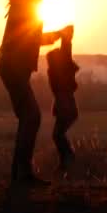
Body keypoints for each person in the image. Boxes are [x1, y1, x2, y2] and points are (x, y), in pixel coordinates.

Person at [0, 0, 68, 186]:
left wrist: (56, 35)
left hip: (13, 66)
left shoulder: (29, 1)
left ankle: (19, 174)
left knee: (28, 118)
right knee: (32, 117)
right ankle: (21, 174)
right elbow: (31, 38)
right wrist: (59, 34)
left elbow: (31, 37)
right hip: (14, 66)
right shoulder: (29, 2)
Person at [46, 25, 79, 172]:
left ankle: (67, 160)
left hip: (66, 108)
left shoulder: (61, 68)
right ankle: (66, 161)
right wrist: (65, 35)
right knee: (57, 135)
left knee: (57, 135)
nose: (49, 57)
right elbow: (66, 50)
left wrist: (66, 36)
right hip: (66, 108)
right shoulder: (59, 69)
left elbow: (66, 50)